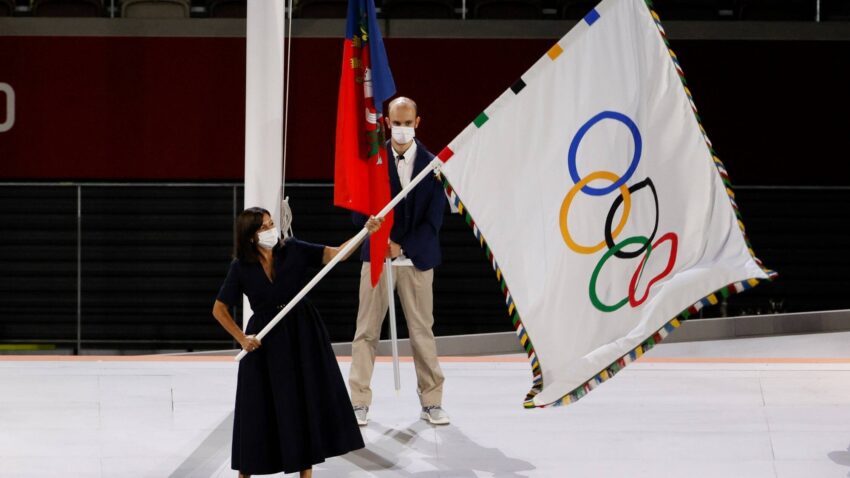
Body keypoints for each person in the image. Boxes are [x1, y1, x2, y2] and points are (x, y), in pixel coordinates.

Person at [212, 207, 383, 478]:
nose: (271, 230)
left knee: (304, 400)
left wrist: (365, 233)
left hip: (301, 332)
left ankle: (305, 472)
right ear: (250, 236)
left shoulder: (293, 249)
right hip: (265, 340)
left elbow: (335, 254)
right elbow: (219, 308)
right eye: (264, 227)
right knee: (258, 406)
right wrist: (242, 339)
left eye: (271, 223)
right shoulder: (241, 267)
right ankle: (247, 471)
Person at [349, 96, 450, 426]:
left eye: (409, 123)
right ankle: (358, 401)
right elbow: (358, 212)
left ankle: (432, 402)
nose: (403, 129)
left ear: (417, 123)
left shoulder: (434, 167)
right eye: (397, 122)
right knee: (366, 331)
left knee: (422, 332)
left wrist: (402, 246)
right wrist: (381, 240)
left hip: (418, 260)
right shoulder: (371, 161)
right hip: (377, 257)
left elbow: (435, 220)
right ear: (387, 123)